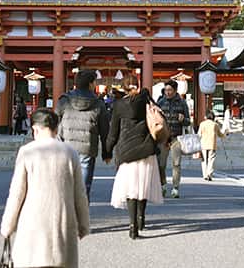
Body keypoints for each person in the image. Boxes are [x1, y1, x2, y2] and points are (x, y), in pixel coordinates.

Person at [0, 109, 90, 268]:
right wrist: (83, 225)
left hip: (33, 224)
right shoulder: (70, 153)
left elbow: (17, 193)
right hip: (62, 224)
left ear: (35, 128)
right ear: (56, 129)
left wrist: (8, 226)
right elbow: (80, 194)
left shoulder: (27, 152)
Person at [105, 85, 162, 239]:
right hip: (146, 149)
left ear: (123, 89)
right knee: (142, 186)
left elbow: (113, 133)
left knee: (131, 188)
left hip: (126, 151)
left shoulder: (118, 105)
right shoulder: (146, 101)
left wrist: (107, 151)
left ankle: (132, 227)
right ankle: (141, 219)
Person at [56, 69, 110, 200]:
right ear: (91, 84)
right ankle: (82, 217)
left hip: (65, 146)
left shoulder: (64, 100)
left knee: (65, 185)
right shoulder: (98, 103)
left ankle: (67, 217)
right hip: (87, 146)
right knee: (83, 188)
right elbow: (104, 129)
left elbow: (55, 121)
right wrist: (106, 153)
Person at [155, 82, 190, 198]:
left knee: (176, 164)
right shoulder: (160, 102)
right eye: (166, 90)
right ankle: (163, 185)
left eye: (169, 90)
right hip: (163, 138)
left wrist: (183, 119)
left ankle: (175, 187)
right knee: (161, 164)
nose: (167, 92)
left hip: (176, 137)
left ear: (175, 90)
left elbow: (188, 121)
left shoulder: (182, 102)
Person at [197, 109, 223, 181]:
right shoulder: (215, 124)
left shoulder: (202, 124)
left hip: (203, 144)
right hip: (212, 144)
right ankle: (209, 173)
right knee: (211, 159)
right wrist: (224, 135)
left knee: (204, 160)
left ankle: (205, 175)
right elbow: (220, 134)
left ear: (206, 117)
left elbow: (199, 134)